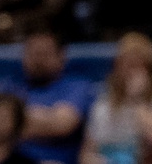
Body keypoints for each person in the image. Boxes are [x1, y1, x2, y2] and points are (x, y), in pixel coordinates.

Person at [79, 33, 152, 164]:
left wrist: (137, 100)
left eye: (137, 66)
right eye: (127, 66)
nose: (131, 74)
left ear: (151, 70)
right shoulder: (103, 105)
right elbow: (86, 154)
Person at [5, 30, 96, 164]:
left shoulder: (77, 86)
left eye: (44, 54)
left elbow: (63, 124)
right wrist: (47, 118)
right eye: (33, 53)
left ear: (61, 56)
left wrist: (14, 121)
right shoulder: (9, 86)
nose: (38, 60)